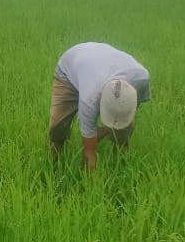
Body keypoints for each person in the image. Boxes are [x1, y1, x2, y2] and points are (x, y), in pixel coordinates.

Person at [49, 42, 151, 170]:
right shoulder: (90, 99)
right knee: (57, 127)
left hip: (98, 62)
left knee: (125, 126)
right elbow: (89, 152)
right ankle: (53, 161)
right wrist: (91, 186)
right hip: (69, 70)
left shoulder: (141, 78)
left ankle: (122, 161)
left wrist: (112, 127)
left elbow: (134, 107)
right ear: (100, 102)